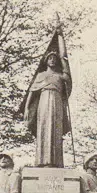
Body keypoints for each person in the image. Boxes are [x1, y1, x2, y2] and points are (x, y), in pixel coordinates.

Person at [22, 35, 72, 168]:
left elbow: (66, 70)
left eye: (55, 59)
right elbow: (31, 93)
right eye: (50, 58)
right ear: (46, 60)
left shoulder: (60, 76)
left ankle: (56, 162)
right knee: (44, 128)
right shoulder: (41, 75)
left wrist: (61, 36)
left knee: (56, 129)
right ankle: (42, 161)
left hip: (57, 102)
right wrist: (27, 108)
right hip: (43, 102)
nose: (52, 61)